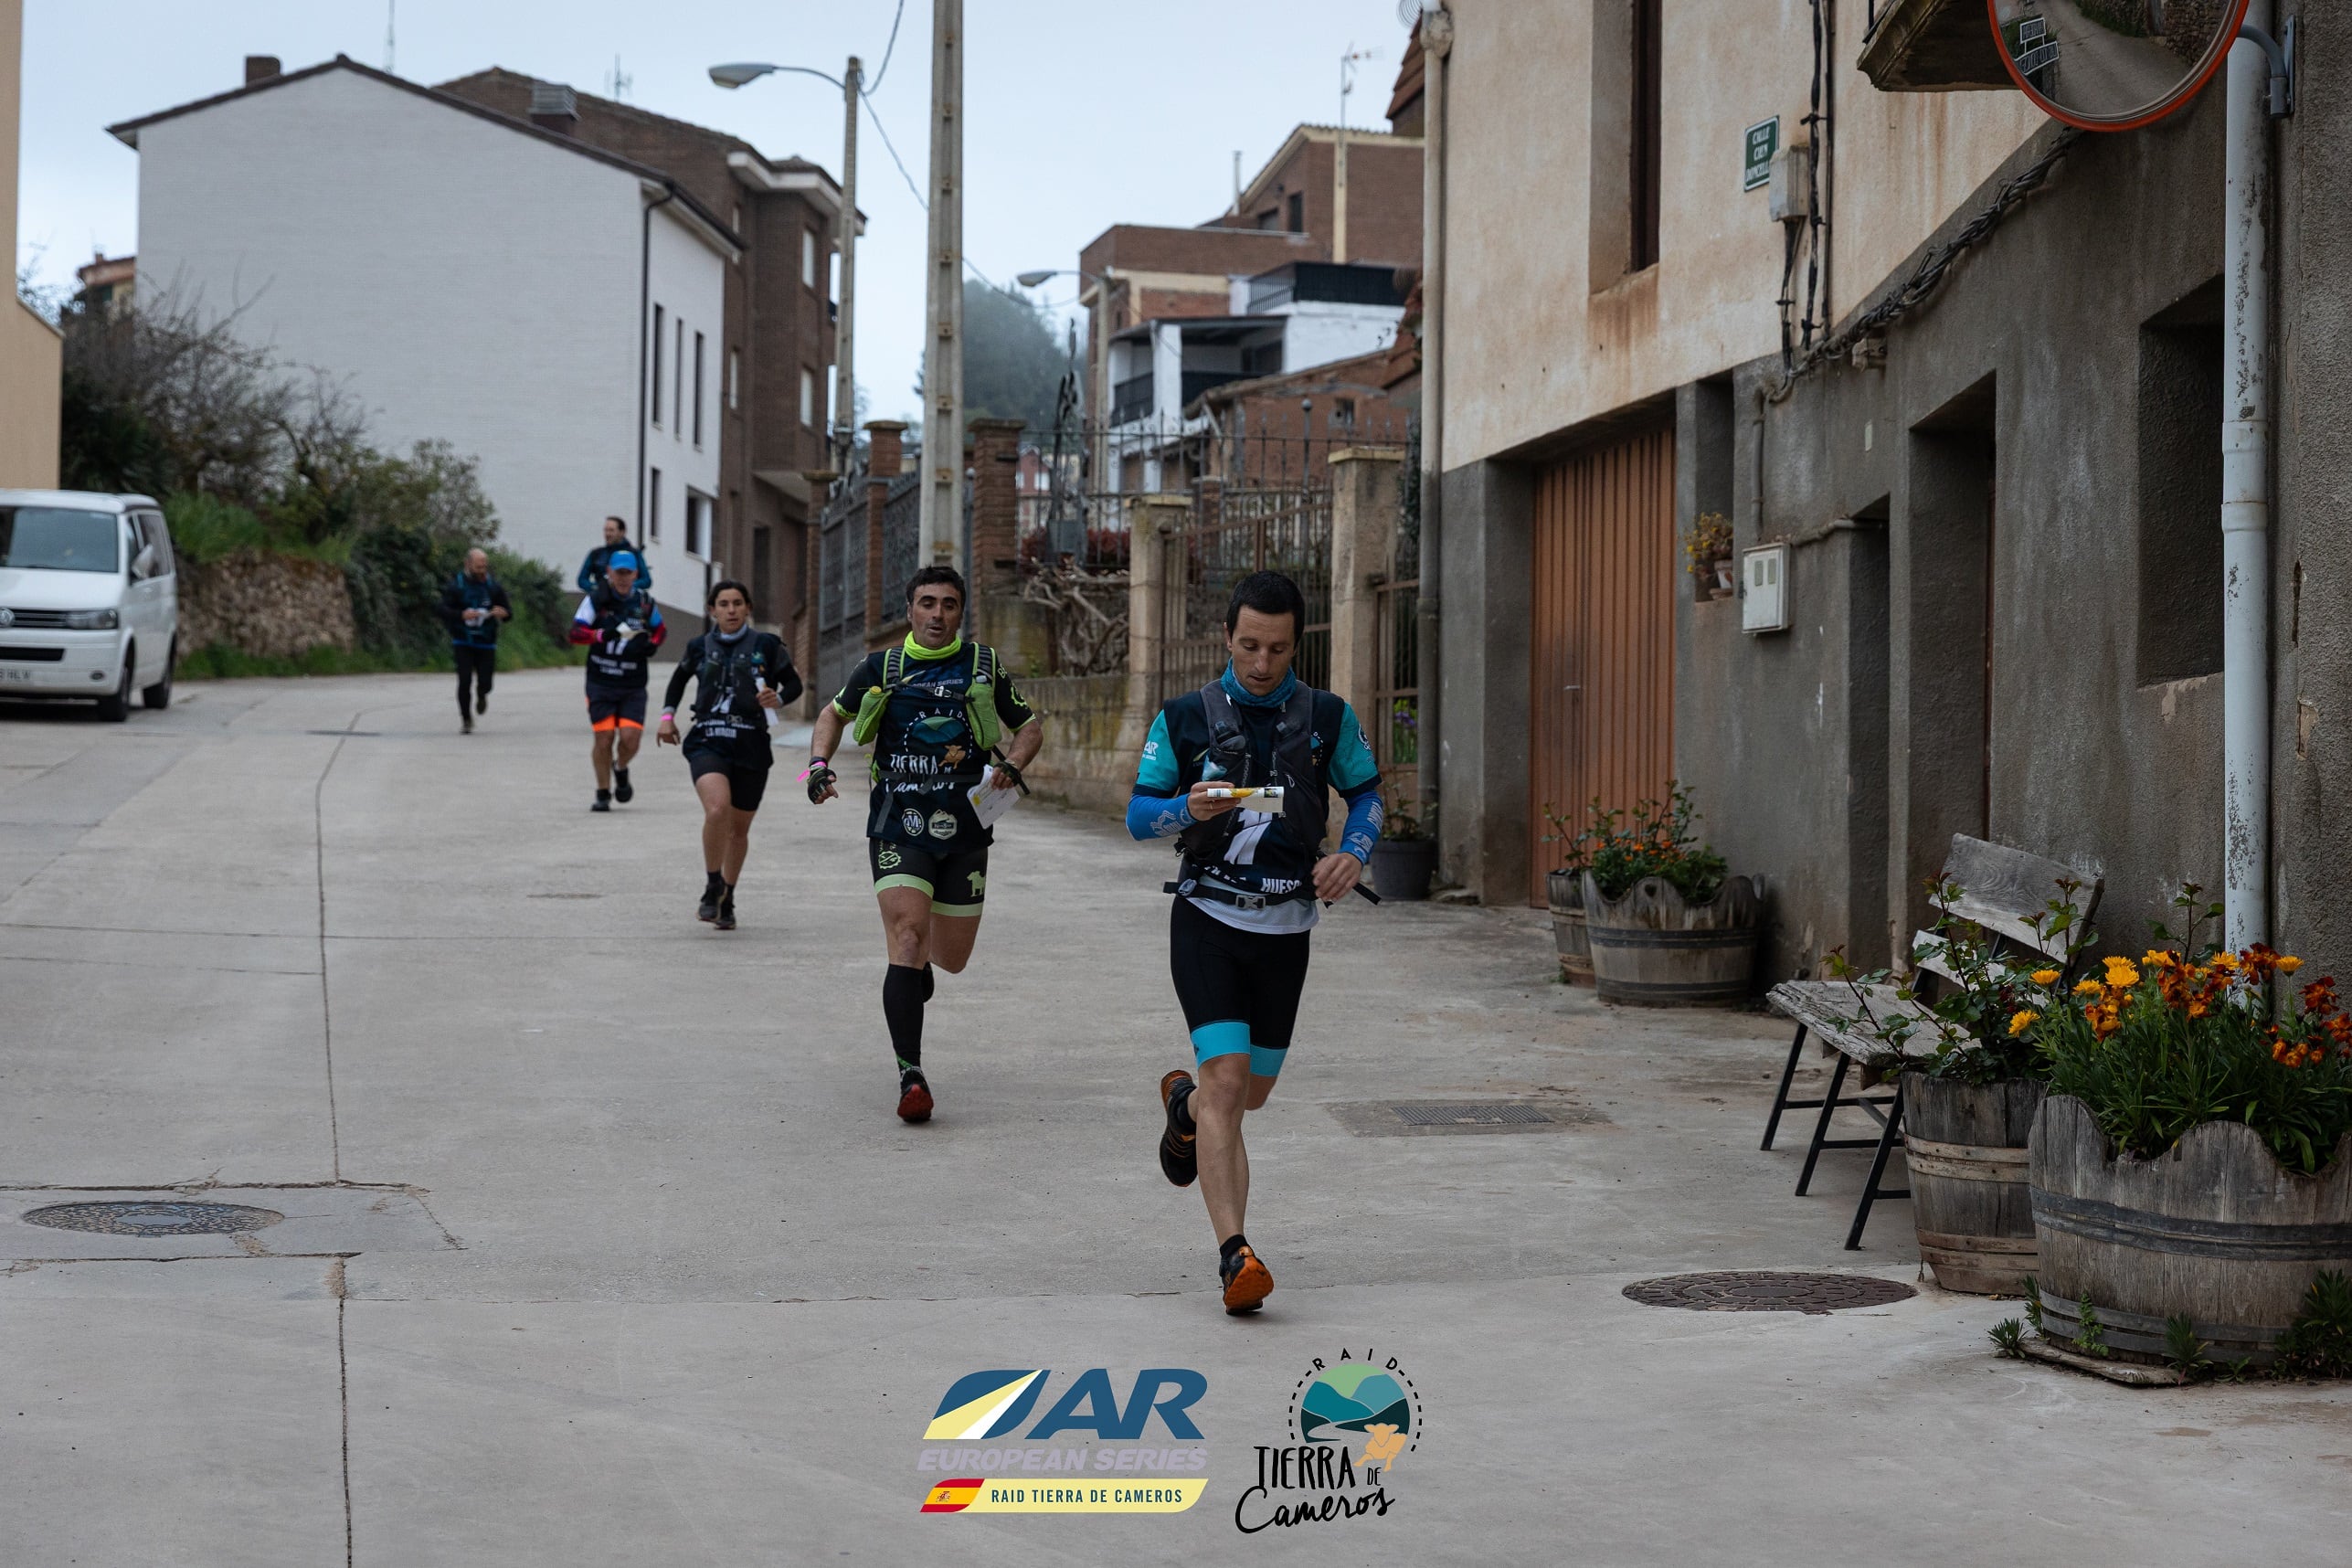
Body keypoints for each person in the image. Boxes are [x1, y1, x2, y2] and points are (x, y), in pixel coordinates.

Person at [1125, 569, 1383, 1315]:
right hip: (1206, 918)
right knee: (1230, 1083)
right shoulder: (1184, 717)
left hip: (1287, 928)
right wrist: (1182, 806)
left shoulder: (1329, 717)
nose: (1261, 663)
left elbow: (1367, 793)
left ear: (1298, 643)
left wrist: (1353, 853)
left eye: (1276, 648)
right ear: (1227, 638)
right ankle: (1236, 1255)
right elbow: (1139, 817)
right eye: (1247, 646)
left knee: (1248, 1098)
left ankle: (1185, 1109)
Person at [805, 566, 1044, 1124]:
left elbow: (1030, 727)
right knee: (907, 937)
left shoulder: (983, 667)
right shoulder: (882, 667)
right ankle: (911, 1074)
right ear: (910, 609)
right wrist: (817, 765)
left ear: (962, 612)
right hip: (898, 825)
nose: (938, 615)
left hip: (965, 829)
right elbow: (832, 714)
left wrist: (1012, 763)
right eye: (928, 603)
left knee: (950, 958)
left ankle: (918, 975)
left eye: (950, 605)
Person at [656, 581, 800, 930]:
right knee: (717, 808)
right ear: (712, 611)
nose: (731, 610)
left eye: (738, 603)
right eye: (724, 604)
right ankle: (712, 885)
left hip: (751, 743)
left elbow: (793, 684)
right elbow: (677, 681)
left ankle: (728, 896)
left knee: (738, 830)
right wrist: (666, 717)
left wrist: (777, 699)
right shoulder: (699, 646)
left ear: (748, 608)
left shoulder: (765, 645)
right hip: (708, 738)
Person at [569, 551, 665, 812]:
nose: (623, 578)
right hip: (601, 680)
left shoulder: (644, 602)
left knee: (631, 739)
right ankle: (602, 792)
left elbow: (660, 631)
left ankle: (620, 767)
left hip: (633, 684)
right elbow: (576, 633)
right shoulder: (596, 600)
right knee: (604, 737)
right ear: (609, 572)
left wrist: (650, 645)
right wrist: (601, 635)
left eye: (628, 573)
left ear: (636, 575)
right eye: (618, 572)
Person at [438, 548, 511, 734]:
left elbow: (508, 612)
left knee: (486, 681)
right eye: (478, 566)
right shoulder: (456, 586)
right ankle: (466, 718)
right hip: (463, 640)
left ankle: (482, 694)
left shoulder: (493, 586)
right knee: (464, 680)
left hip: (486, 641)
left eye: (484, 566)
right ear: (468, 564)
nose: (482, 570)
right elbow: (441, 609)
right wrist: (461, 614)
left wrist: (503, 613)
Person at [577, 516, 652, 595]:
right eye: (606, 530)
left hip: (627, 600)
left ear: (622, 532)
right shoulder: (596, 554)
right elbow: (582, 580)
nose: (607, 534)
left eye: (611, 530)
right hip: (601, 600)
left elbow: (646, 580)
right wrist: (598, 587)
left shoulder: (634, 554)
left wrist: (626, 586)